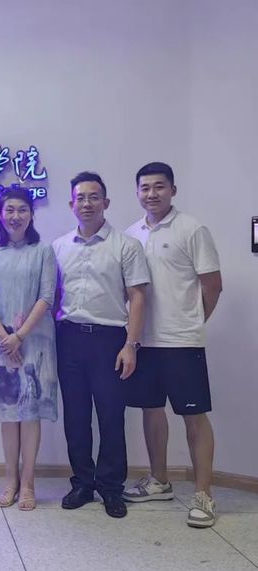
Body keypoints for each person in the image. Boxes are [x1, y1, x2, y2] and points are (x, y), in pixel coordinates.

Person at [123, 162, 222, 528]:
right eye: (145, 187)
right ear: (137, 192)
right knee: (151, 411)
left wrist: (193, 322)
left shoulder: (191, 229)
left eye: (159, 186)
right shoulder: (131, 234)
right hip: (143, 341)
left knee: (194, 416)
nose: (152, 193)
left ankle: (203, 494)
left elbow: (213, 284)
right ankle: (159, 480)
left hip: (182, 342)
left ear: (173, 190)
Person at [53, 171, 149, 519]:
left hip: (110, 341)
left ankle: (110, 487)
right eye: (80, 198)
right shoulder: (59, 247)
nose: (87, 203)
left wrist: (131, 345)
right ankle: (82, 482)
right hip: (68, 339)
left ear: (106, 202)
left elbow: (137, 297)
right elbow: (52, 298)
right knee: (76, 416)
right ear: (71, 204)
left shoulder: (126, 246)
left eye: (94, 197)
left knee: (111, 416)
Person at [0, 187, 59, 511]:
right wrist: (5, 337)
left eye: (22, 210)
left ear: (31, 214)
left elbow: (47, 297)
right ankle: (10, 480)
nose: (15, 216)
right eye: (9, 209)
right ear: (0, 214)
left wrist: (20, 335)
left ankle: (29, 483)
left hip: (35, 342)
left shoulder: (43, 251)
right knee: (8, 412)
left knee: (31, 411)